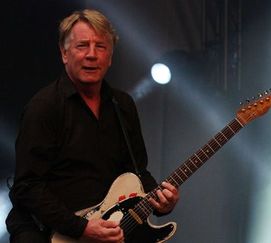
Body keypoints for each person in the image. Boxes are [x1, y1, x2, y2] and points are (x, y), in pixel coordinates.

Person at [6, 9, 179, 243]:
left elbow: (137, 171)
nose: (91, 54)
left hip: (106, 224)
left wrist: (161, 203)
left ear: (110, 57)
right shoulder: (44, 107)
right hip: (44, 229)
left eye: (100, 46)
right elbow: (27, 187)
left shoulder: (123, 105)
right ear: (64, 53)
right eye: (82, 46)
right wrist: (81, 228)